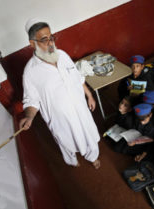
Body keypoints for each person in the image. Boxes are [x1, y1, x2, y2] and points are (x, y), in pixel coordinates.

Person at [19, 19, 100, 168]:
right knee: (66, 141)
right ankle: (72, 161)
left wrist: (89, 95)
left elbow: (78, 77)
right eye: (44, 40)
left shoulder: (62, 55)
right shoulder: (31, 72)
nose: (50, 43)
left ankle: (93, 156)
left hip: (80, 109)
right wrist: (29, 117)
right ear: (32, 43)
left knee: (87, 133)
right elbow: (31, 100)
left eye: (51, 37)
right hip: (61, 119)